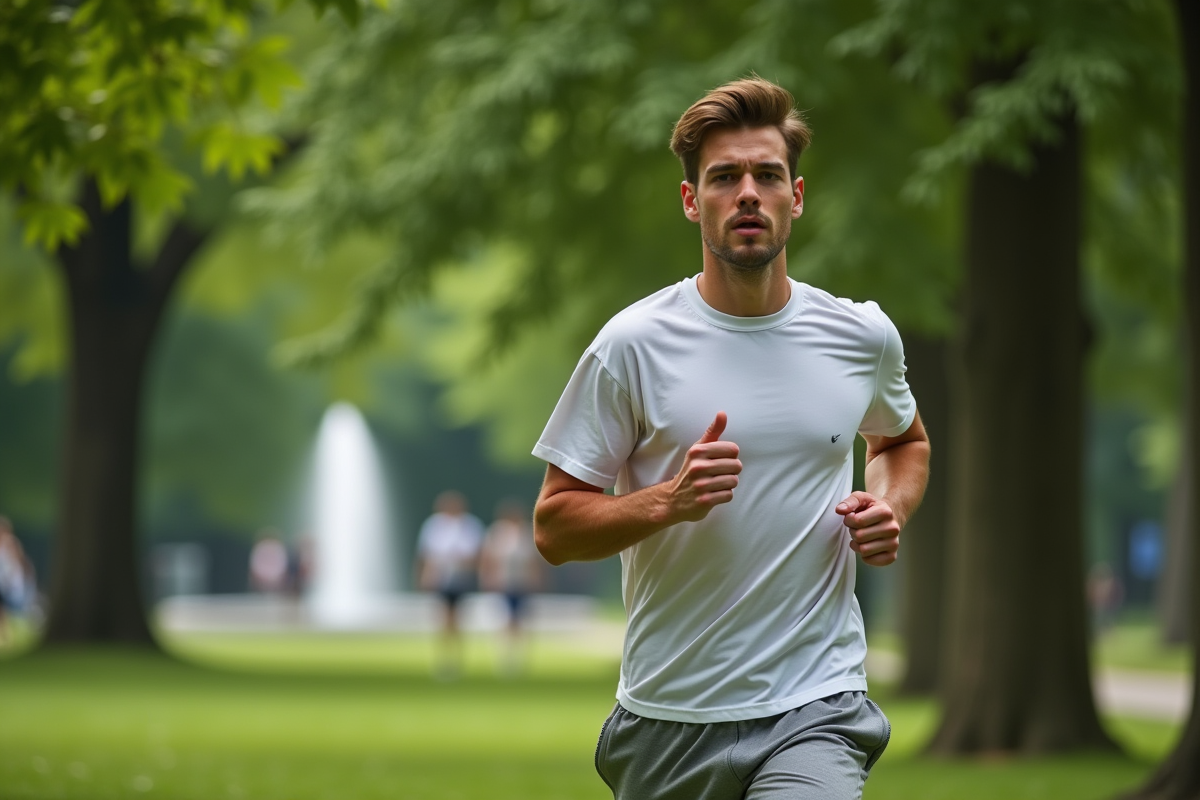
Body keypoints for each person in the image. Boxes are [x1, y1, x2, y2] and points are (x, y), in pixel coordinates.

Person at [531, 77, 930, 799]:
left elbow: (903, 442)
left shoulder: (860, 336)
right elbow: (555, 527)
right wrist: (665, 503)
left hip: (817, 702)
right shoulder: (632, 346)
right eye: (725, 177)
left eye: (767, 175)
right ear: (693, 202)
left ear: (796, 196)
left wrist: (889, 507)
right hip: (669, 716)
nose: (748, 192)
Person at [416, 491, 484, 677]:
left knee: (457, 619)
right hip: (440, 578)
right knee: (444, 619)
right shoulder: (433, 525)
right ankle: (445, 659)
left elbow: (476, 555)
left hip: (461, 578)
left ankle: (455, 659)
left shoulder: (470, 525)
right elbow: (425, 555)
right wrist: (423, 576)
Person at [479, 499, 543, 674]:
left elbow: (533, 560)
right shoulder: (496, 533)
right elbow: (488, 558)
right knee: (504, 620)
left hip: (522, 583)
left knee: (520, 622)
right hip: (503, 583)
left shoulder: (525, 533)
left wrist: (535, 580)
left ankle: (519, 658)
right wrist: (488, 579)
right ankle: (505, 657)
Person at [0, 517, 37, 645]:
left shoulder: (12, 545)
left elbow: (23, 564)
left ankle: (6, 636)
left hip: (10, 585)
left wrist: (28, 584)